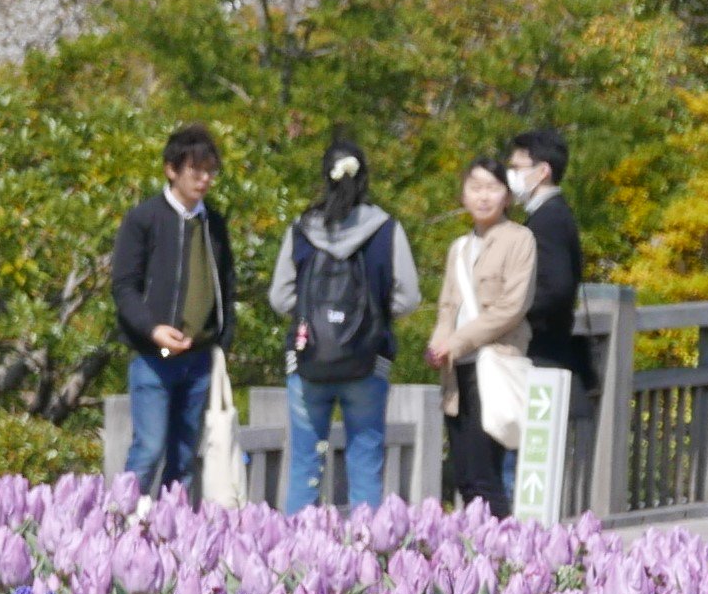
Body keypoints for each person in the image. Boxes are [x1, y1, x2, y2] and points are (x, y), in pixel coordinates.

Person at [270, 141, 421, 511]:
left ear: (325, 178)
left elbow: (278, 296)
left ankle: (295, 557)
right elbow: (409, 297)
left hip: (309, 360)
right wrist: (375, 320)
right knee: (366, 462)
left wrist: (310, 317)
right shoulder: (386, 229)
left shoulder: (302, 228)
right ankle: (366, 553)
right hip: (368, 361)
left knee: (306, 464)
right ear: (364, 178)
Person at [110, 125, 236, 492]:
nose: (204, 179)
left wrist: (222, 344)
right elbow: (124, 287)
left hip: (199, 358)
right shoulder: (144, 219)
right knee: (149, 449)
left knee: (183, 460)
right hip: (155, 355)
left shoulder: (214, 222)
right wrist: (153, 330)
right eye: (195, 170)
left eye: (210, 171)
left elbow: (227, 287)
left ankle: (173, 538)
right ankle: (117, 524)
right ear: (171, 170)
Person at [427, 158, 533, 514]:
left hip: (495, 365)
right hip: (458, 373)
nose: (483, 196)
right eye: (475, 187)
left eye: (492, 188)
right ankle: (476, 559)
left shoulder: (520, 239)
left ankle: (502, 555)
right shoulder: (459, 247)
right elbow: (447, 307)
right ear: (463, 195)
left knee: (488, 477)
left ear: (507, 196)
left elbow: (510, 308)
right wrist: (439, 344)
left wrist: (456, 342)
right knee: (466, 477)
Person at [509, 129, 594, 507]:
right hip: (544, 351)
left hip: (540, 353)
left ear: (542, 171)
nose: (510, 175)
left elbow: (555, 289)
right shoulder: (551, 218)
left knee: (524, 465)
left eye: (516, 166)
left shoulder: (548, 221)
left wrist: (512, 314)